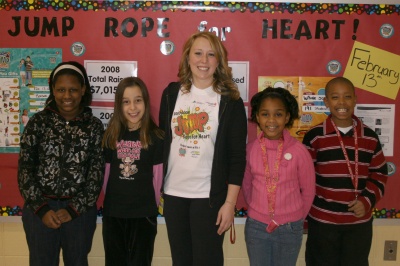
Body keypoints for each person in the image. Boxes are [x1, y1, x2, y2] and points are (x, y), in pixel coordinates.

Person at [158, 31, 247, 266]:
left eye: (211, 54)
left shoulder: (231, 101)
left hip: (209, 200)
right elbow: (163, 141)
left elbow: (238, 158)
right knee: (181, 261)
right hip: (174, 196)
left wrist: (229, 204)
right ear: (188, 57)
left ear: (219, 60)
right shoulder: (171, 94)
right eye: (198, 53)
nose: (203, 61)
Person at [18, 61, 105, 266]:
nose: (67, 96)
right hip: (39, 211)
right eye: (61, 90)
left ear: (83, 90)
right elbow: (25, 171)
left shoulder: (93, 127)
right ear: (53, 90)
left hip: (79, 214)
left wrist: (73, 210)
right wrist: (41, 209)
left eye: (73, 90)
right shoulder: (38, 123)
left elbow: (96, 174)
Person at [302, 77, 388, 266]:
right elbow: (304, 179)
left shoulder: (370, 138)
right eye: (335, 97)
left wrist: (366, 201)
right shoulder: (315, 137)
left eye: (347, 97)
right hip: (322, 223)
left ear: (355, 100)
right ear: (326, 102)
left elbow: (380, 175)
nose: (341, 102)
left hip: (358, 224)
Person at [242, 87, 315, 266]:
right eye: (265, 114)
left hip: (289, 228)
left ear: (287, 117)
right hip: (257, 226)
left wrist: (294, 218)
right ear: (257, 117)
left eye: (278, 114)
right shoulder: (250, 150)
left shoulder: (299, 151)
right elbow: (247, 186)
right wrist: (258, 211)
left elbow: (308, 191)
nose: (272, 120)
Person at [102, 77, 164, 266]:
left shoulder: (156, 137)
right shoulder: (111, 136)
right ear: (119, 105)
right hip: (114, 214)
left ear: (145, 101)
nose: (133, 107)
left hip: (143, 215)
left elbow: (157, 179)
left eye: (138, 100)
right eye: (126, 102)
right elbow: (106, 178)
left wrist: (148, 207)